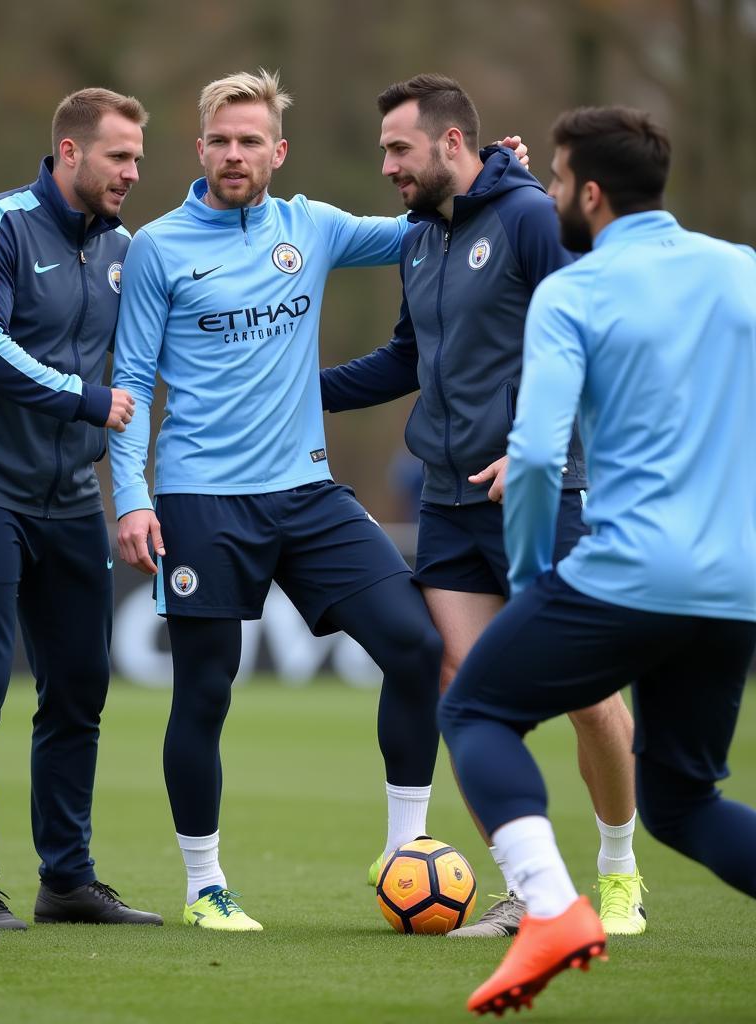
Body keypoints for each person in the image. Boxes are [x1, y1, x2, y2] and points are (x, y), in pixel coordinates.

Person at [111, 68, 526, 931]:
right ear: (200, 149)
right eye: (220, 140)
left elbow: (434, 215)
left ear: (278, 151)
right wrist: (130, 498)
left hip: (306, 491)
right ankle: (203, 885)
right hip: (200, 498)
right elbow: (127, 384)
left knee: (414, 647)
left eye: (250, 140)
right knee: (205, 692)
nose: (235, 154)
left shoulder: (317, 227)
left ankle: (403, 847)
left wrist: (497, 173)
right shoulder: (157, 246)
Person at [438, 105, 756, 1015]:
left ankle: (549, 910)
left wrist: (535, 580)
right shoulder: (741, 272)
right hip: (734, 587)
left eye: (555, 178)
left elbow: (535, 458)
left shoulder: (573, 292)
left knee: (476, 709)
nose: (544, 195)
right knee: (683, 805)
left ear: (587, 191)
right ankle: (569, 903)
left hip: (625, 574)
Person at [320, 74, 644, 938]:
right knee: (463, 695)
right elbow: (403, 359)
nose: (387, 164)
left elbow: (590, 333)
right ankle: (534, 892)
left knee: (585, 697)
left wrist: (536, 446)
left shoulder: (534, 216)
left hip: (542, 495)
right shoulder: (421, 239)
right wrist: (295, 392)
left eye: (400, 148)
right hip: (450, 501)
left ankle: (619, 873)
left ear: (452, 144)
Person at [0, 88, 161, 930]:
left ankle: (67, 880)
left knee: (80, 688)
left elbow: (135, 371)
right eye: (119, 157)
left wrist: (123, 473)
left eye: (138, 156)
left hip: (68, 499)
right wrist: (83, 399)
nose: (134, 171)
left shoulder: (127, 248)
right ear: (68, 153)